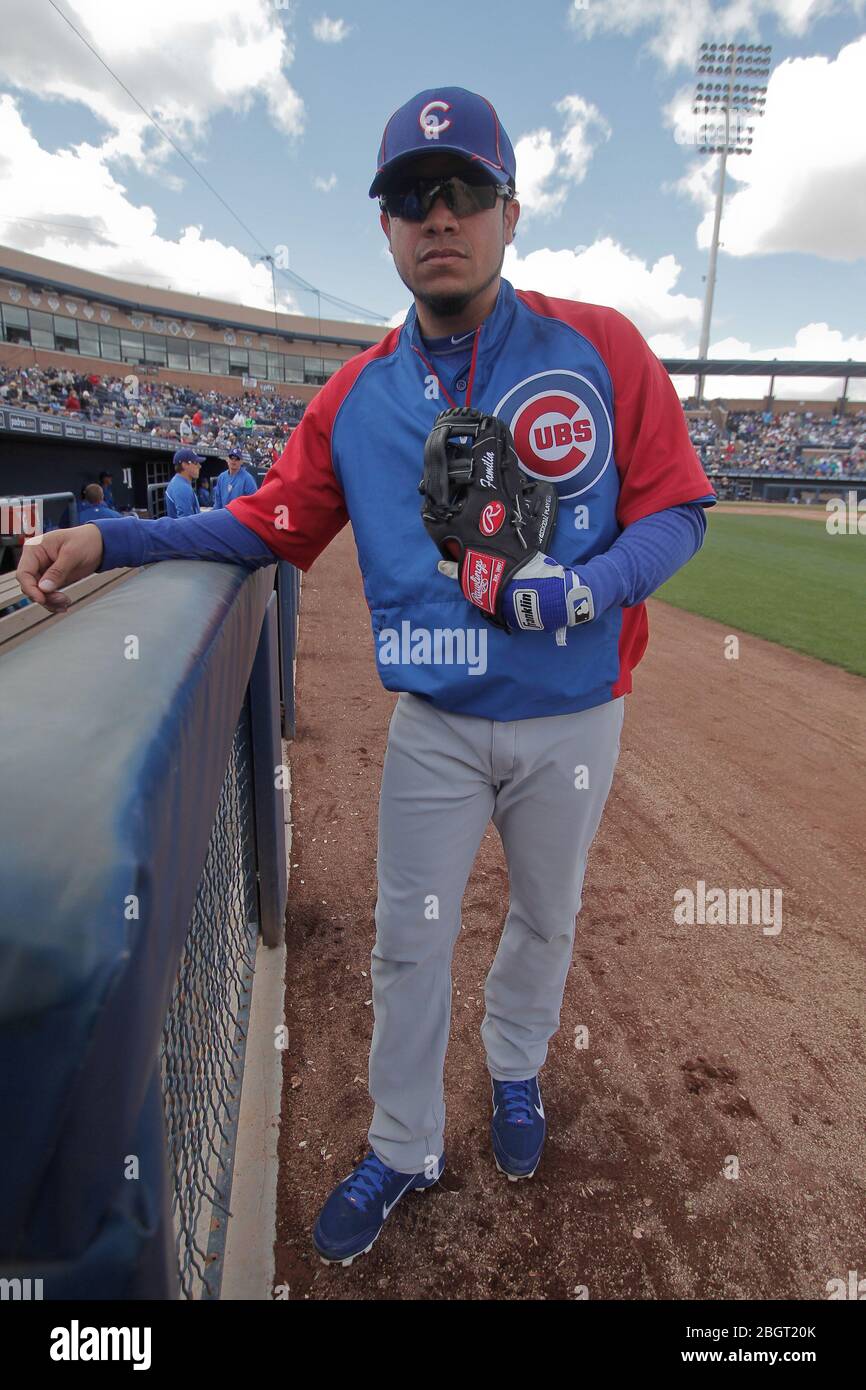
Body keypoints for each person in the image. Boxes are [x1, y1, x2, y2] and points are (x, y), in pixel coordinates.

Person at [16, 85, 715, 1269]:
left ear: (507, 211)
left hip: (573, 717)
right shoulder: (353, 397)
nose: (437, 216)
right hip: (436, 724)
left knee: (545, 917)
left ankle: (514, 1069)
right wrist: (111, 538)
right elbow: (261, 524)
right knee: (408, 941)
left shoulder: (599, 343)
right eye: (409, 197)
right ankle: (401, 1143)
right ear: (385, 229)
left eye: (463, 193)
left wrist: (585, 587)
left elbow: (677, 507)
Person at [164, 447, 204, 518]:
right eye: (196, 463)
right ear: (184, 465)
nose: (199, 466)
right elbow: (186, 524)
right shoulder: (182, 488)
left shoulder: (179, 482)